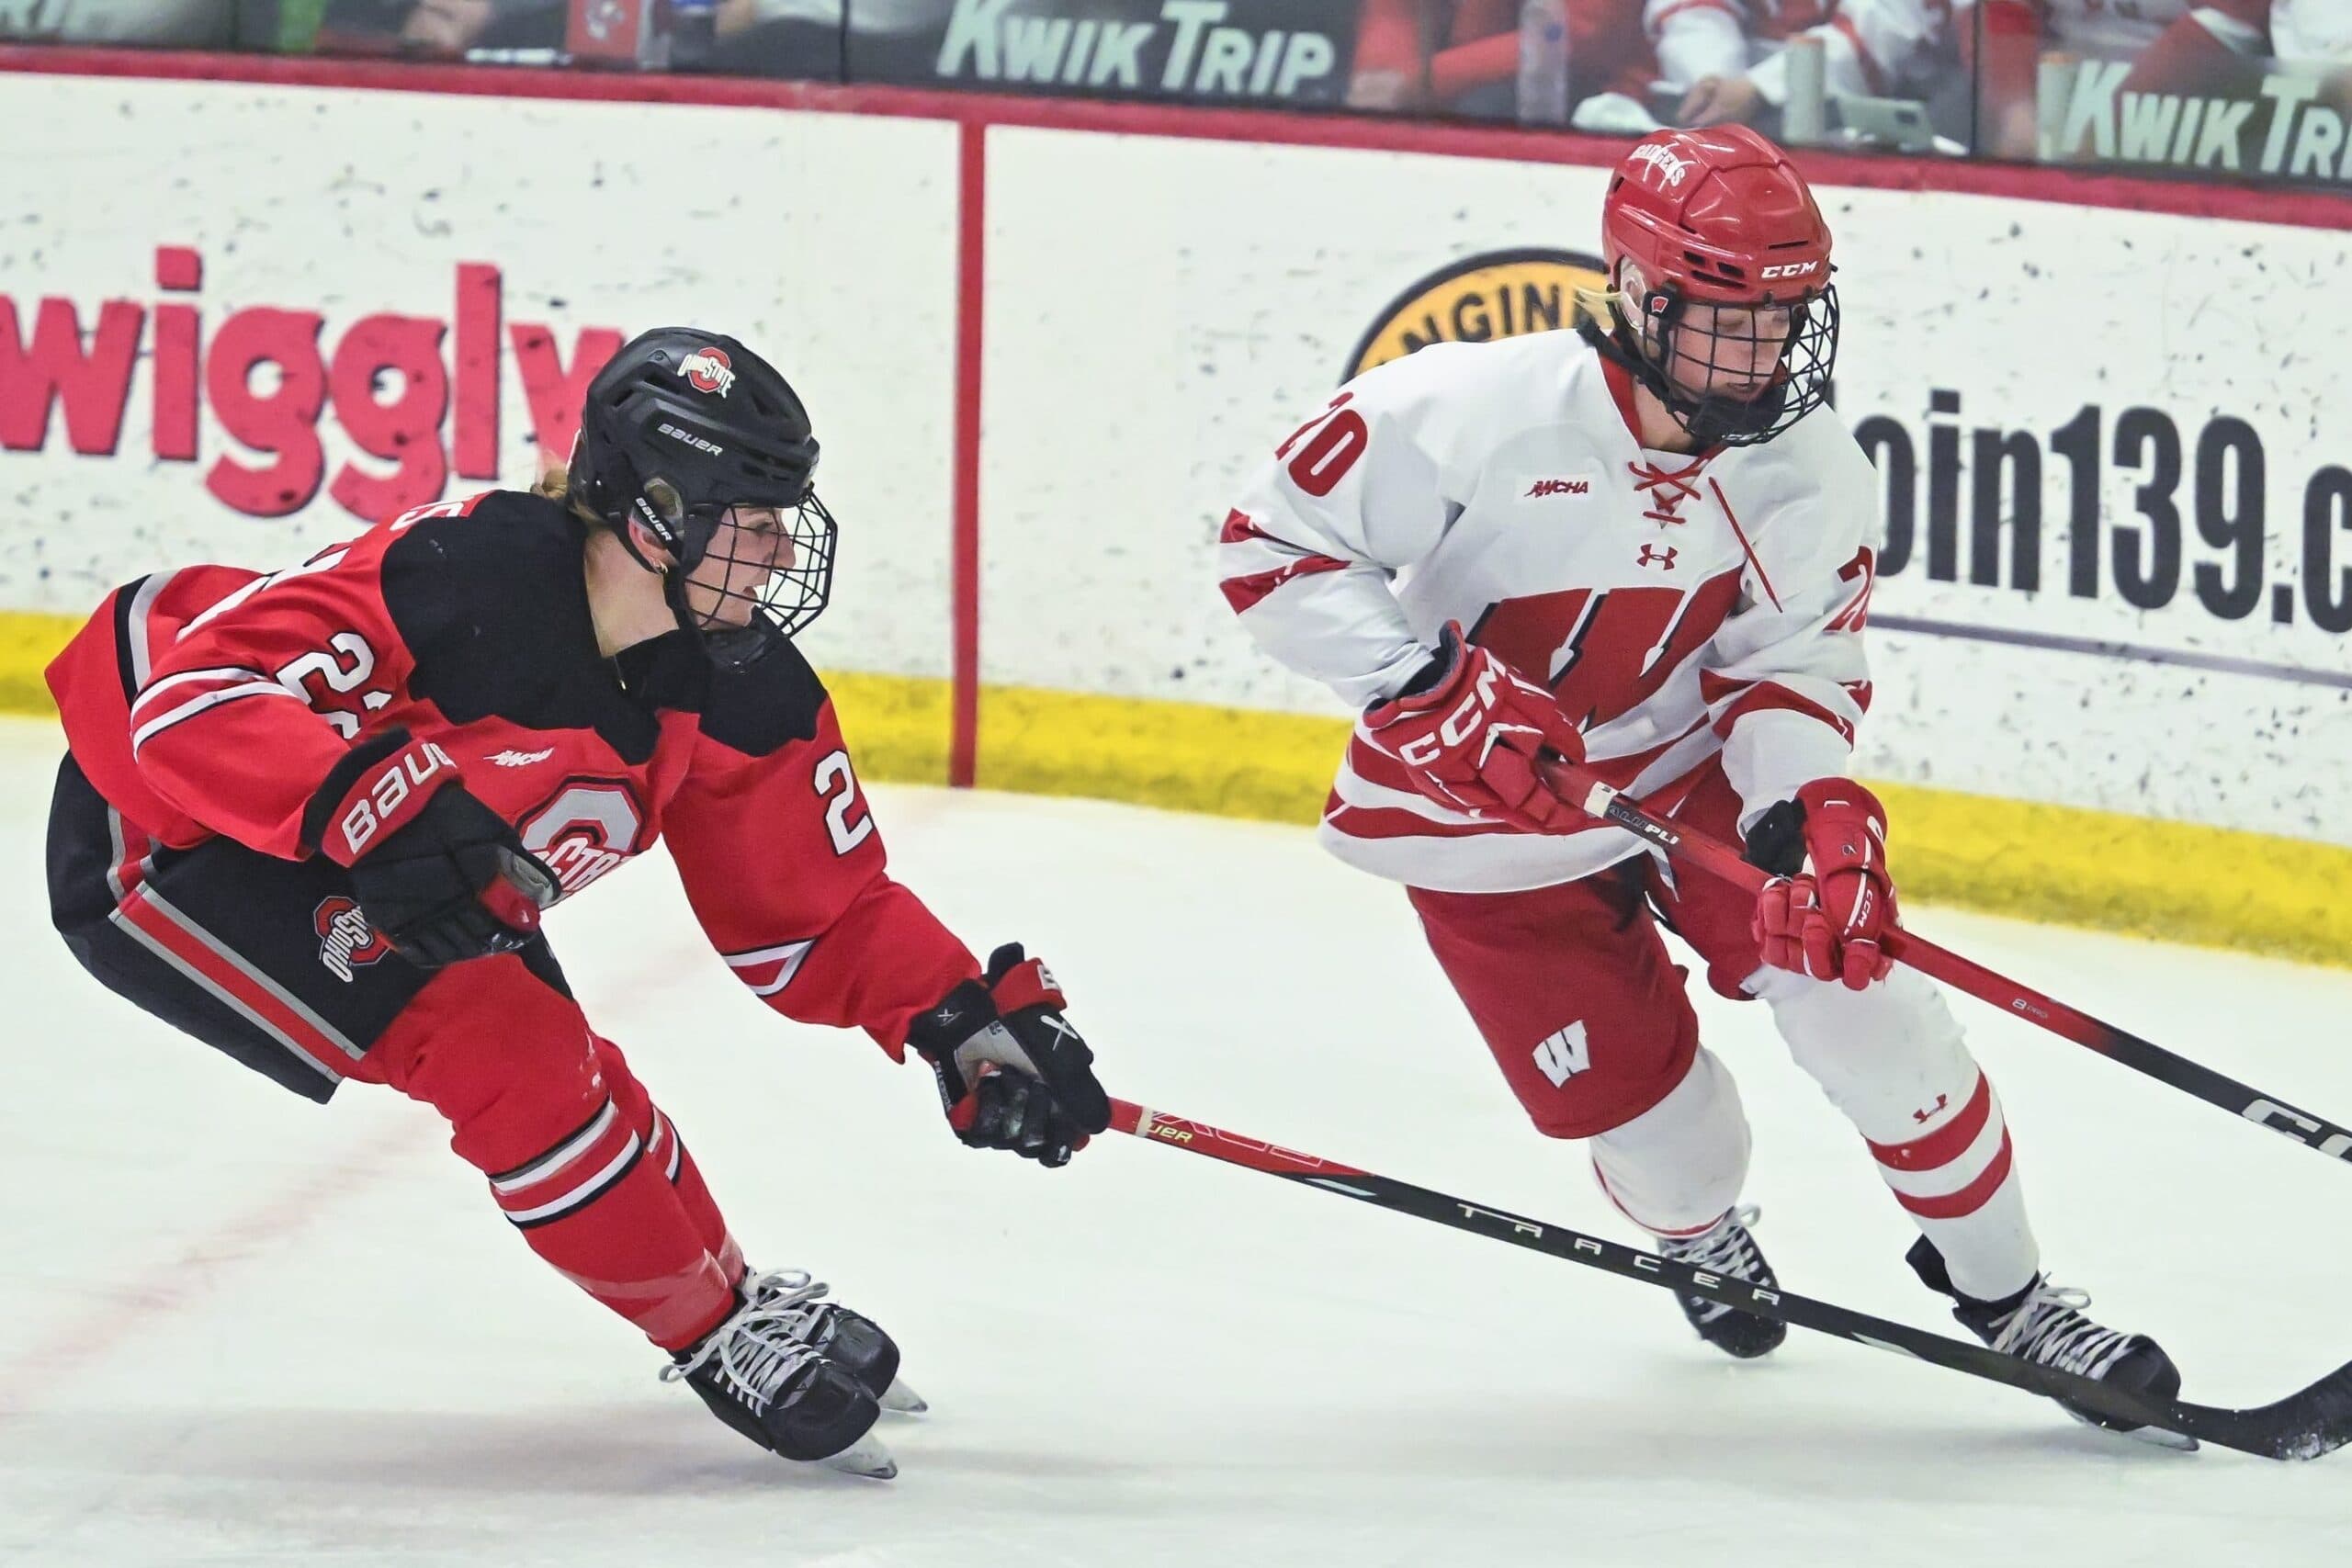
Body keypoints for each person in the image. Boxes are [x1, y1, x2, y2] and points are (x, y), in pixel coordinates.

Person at [1216, 127, 2183, 1438]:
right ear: (1634, 287)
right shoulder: (1470, 409)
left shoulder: (1808, 466)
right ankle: (1701, 1230)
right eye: (1734, 319)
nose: (1770, 352)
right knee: (1678, 1143)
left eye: (1790, 316)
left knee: (1870, 1003)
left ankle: (2014, 1300)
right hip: (1480, 816)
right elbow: (1269, 542)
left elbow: (1794, 664)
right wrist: (1419, 686)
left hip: (1686, 773)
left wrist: (1817, 812)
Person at [43, 327, 1112, 1480]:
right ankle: (710, 1333)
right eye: (750, 519)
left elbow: (816, 911)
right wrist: (367, 801)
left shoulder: (730, 680)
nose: (780, 548)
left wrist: (961, 1021)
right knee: (514, 1052)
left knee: (568, 1063)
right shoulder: (470, 576)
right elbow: (193, 696)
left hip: (363, 850)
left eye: (784, 517)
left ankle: (728, 1297)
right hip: (166, 839)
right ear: (653, 513)